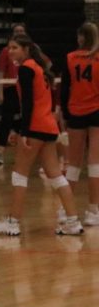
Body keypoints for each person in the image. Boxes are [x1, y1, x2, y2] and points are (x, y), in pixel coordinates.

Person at [0, 33, 83, 236]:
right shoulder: (40, 69)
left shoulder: (26, 69)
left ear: (26, 49)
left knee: (19, 174)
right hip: (49, 127)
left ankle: (13, 222)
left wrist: (23, 132)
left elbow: (28, 103)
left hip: (35, 128)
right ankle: (73, 221)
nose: (10, 51)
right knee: (56, 176)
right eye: (9, 47)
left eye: (15, 47)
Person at [60, 22, 99, 226]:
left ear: (81, 37)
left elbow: (64, 89)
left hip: (75, 112)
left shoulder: (70, 58)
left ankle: (65, 211)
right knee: (95, 163)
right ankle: (93, 210)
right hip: (97, 112)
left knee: (73, 163)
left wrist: (65, 114)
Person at [0, 23, 28, 155]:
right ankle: (0, 151)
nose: (19, 32)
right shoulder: (6, 51)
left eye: (21, 30)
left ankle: (24, 147)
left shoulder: (29, 51)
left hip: (24, 88)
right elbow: (1, 71)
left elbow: (46, 63)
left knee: (26, 117)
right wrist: (0, 91)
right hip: (10, 88)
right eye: (16, 31)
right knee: (6, 119)